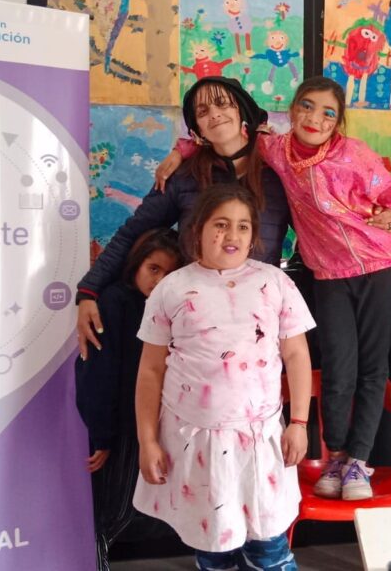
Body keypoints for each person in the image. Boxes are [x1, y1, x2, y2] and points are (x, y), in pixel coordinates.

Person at [161, 76, 391, 501]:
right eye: (307, 106)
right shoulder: (275, 150)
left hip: (379, 265)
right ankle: (337, 455)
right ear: (293, 110)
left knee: (373, 368)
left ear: (338, 121)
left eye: (327, 112)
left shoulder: (354, 155)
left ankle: (359, 459)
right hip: (328, 275)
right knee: (338, 366)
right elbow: (227, 136)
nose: (315, 118)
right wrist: (180, 151)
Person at [78, 77, 391, 360]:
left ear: (242, 110)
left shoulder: (280, 170)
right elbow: (133, 232)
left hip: (260, 318)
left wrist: (383, 214)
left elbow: (328, 220)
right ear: (197, 128)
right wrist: (89, 290)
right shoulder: (184, 176)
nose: (214, 114)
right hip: (196, 318)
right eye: (203, 111)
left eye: (222, 104)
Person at [132, 183, 313, 568]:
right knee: (214, 547)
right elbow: (150, 370)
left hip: (261, 439)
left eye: (243, 226)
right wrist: (147, 441)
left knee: (270, 549)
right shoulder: (172, 288)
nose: (232, 235)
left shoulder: (275, 282)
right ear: (198, 229)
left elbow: (296, 354)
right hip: (196, 443)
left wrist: (299, 423)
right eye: (221, 224)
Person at [74, 228, 182, 571]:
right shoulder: (114, 303)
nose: (159, 280)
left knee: (120, 512)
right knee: (106, 513)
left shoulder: (167, 309)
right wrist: (102, 436)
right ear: (136, 265)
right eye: (153, 268)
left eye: (169, 273)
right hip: (118, 430)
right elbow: (99, 373)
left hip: (142, 427)